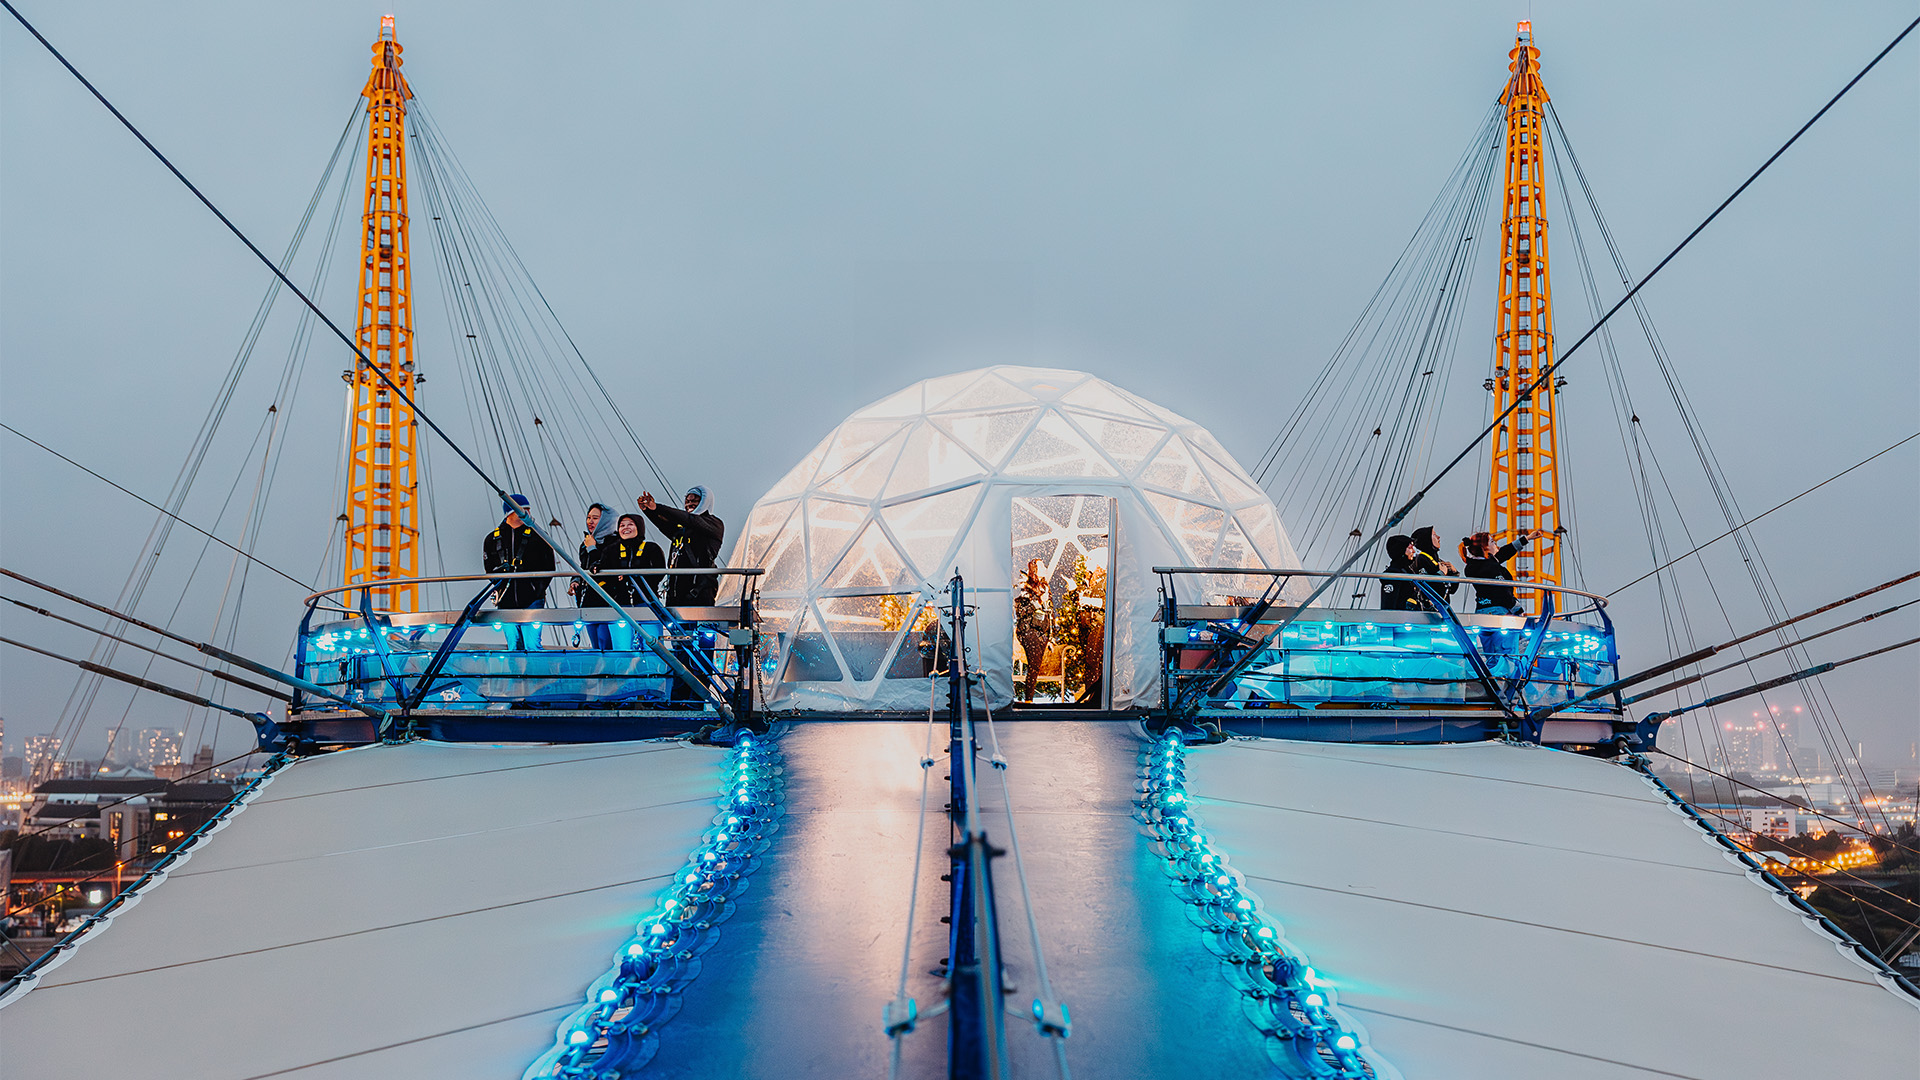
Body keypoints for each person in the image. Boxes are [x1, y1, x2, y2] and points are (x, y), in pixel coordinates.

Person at [483, 494, 555, 649]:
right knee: (513, 646)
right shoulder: (492, 539)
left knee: (532, 645)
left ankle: (534, 666)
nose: (528, 513)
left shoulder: (539, 536)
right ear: (511, 512)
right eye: (523, 510)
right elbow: (489, 569)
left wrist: (536, 589)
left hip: (532, 599)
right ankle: (515, 666)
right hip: (506, 600)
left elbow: (549, 567)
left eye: (528, 510)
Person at [639, 486, 725, 607]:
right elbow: (664, 525)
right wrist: (649, 510)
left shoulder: (713, 524)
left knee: (699, 620)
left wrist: (657, 507)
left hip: (699, 590)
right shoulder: (683, 529)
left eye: (694, 500)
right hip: (676, 591)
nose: (689, 504)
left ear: (705, 501)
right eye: (687, 501)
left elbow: (691, 520)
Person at [592, 515, 668, 649]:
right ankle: (626, 664)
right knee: (622, 648)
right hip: (620, 605)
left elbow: (659, 573)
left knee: (653, 648)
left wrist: (634, 576)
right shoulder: (611, 551)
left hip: (647, 604)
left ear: (639, 527)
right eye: (622, 525)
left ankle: (653, 664)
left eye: (630, 524)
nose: (625, 528)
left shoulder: (651, 548)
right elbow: (602, 576)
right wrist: (597, 568)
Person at [1459, 528, 1548, 615]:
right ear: (1484, 547)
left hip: (1481, 610)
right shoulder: (1490, 567)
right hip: (1498, 611)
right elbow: (1502, 592)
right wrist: (1516, 608)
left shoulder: (1473, 565)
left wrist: (1527, 538)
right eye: (1492, 542)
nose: (1495, 544)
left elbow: (1504, 552)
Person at [569, 502, 619, 647]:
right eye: (589, 517)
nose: (590, 521)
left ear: (605, 520)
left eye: (595, 518)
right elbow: (584, 566)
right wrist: (575, 580)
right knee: (595, 642)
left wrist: (592, 548)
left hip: (607, 598)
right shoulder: (585, 543)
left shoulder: (615, 542)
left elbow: (601, 566)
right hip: (588, 598)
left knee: (606, 641)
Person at [1014, 558, 1053, 702]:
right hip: (1030, 631)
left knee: (1035, 666)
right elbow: (1021, 611)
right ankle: (1028, 699)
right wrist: (1038, 602)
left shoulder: (1045, 587)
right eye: (1042, 567)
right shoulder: (1027, 588)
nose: (1045, 568)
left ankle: (1028, 698)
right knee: (1034, 665)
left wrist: (1051, 636)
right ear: (1035, 570)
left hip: (1043, 632)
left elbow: (1050, 613)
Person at [1407, 525, 1460, 609]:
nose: (1438, 537)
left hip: (1442, 609)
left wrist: (1454, 573)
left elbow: (1452, 590)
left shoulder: (1438, 561)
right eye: (1434, 535)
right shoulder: (1421, 560)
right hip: (1429, 610)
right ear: (1427, 540)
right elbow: (1427, 588)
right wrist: (1441, 574)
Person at [1380, 534, 1421, 610]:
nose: (1413, 551)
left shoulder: (1407, 572)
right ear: (1401, 550)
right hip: (1402, 616)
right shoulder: (1393, 574)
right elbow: (1388, 605)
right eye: (1410, 548)